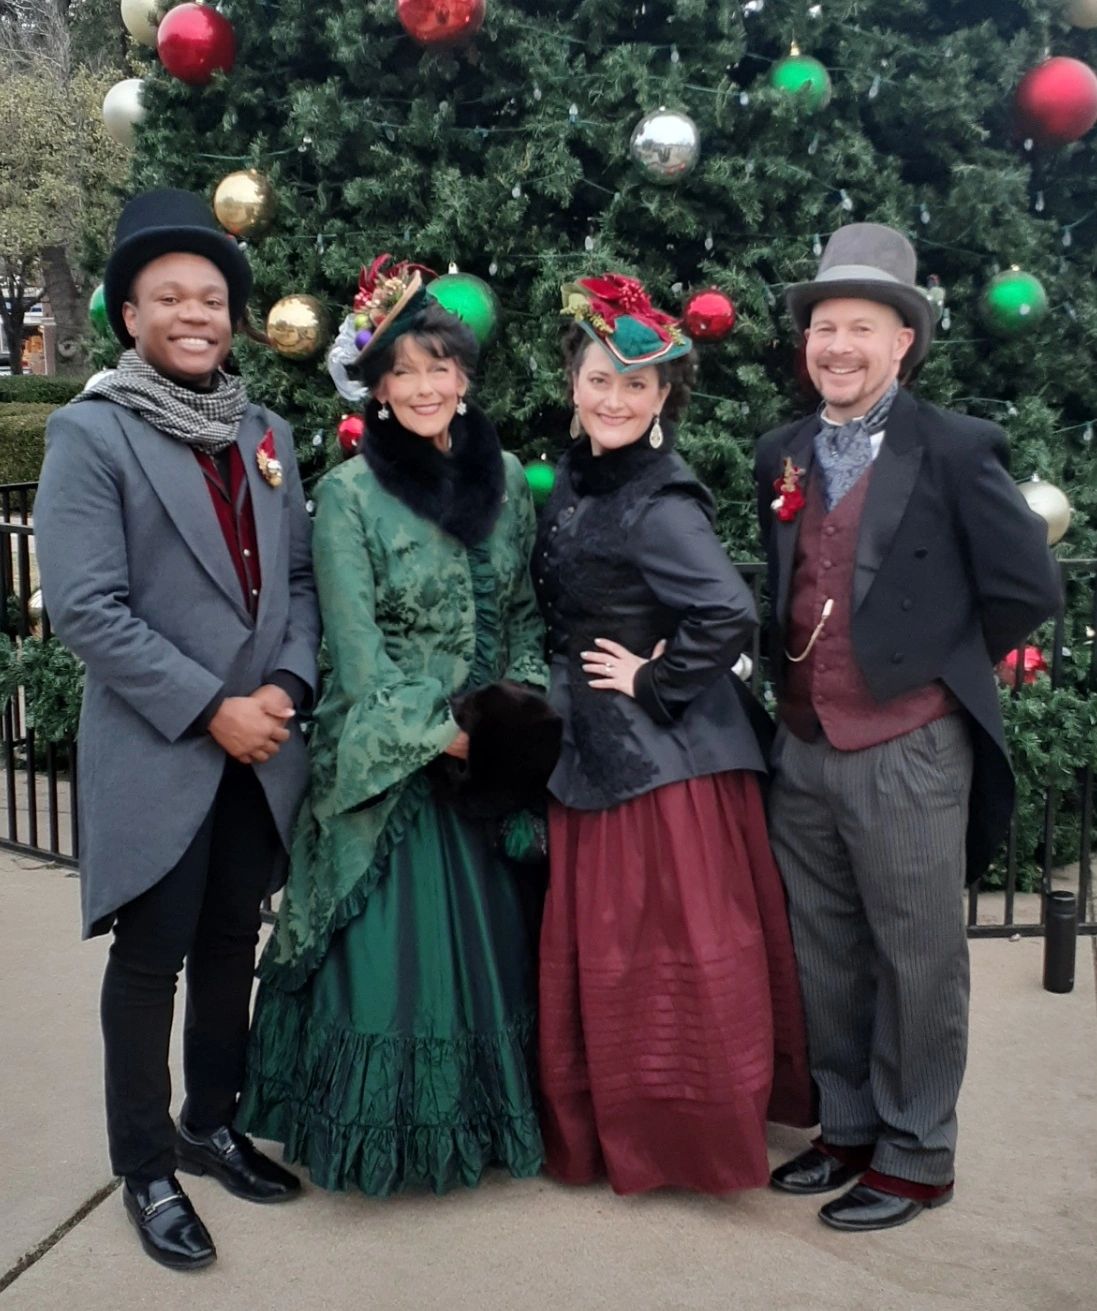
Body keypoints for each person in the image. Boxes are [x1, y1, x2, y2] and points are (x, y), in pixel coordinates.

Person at [34, 190, 321, 1271]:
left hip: (261, 748)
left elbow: (291, 578)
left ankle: (210, 1123)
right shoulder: (91, 430)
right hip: (167, 745)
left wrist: (287, 685)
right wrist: (216, 708)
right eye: (169, 297)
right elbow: (86, 608)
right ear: (128, 314)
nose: (195, 313)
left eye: (212, 297)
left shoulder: (265, 431)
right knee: (151, 960)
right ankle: (146, 1164)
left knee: (226, 946)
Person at [756, 223, 1062, 1231]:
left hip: (907, 744)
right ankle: (844, 1128)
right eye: (822, 327)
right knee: (825, 953)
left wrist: (925, 657)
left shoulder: (956, 447)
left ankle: (917, 1153)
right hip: (802, 742)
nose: (835, 345)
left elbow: (1024, 585)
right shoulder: (781, 451)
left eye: (860, 327)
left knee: (918, 957)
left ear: (901, 343)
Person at [236, 259, 549, 1196]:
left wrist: (513, 720)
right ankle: (377, 1138)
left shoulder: (505, 487)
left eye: (439, 367)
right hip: (393, 763)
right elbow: (357, 658)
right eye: (401, 371)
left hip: (485, 758)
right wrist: (449, 737)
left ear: (464, 376)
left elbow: (528, 619)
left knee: (488, 956)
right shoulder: (345, 496)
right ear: (374, 386)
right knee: (392, 964)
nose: (422, 386)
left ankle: (482, 1123)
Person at [533, 274, 814, 1196]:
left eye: (636, 386)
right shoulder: (578, 476)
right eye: (599, 379)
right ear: (572, 382)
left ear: (663, 400)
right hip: (601, 748)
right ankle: (627, 1130)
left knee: (666, 954)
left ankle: (679, 1141)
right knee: (626, 956)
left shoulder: (659, 499)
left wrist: (653, 678)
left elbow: (728, 612)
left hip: (664, 767)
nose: (614, 398)